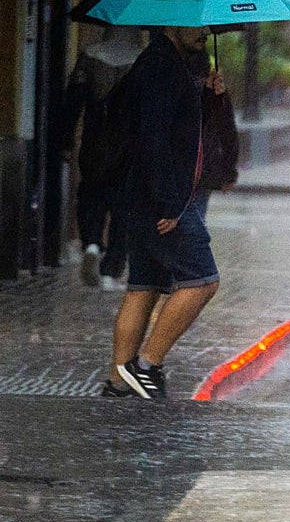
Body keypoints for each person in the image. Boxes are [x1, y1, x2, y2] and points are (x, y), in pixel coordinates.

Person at [103, 26, 220, 400]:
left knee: (144, 288)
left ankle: (119, 383)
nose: (205, 31)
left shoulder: (159, 65)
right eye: (196, 24)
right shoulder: (162, 69)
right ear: (173, 25)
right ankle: (147, 366)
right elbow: (154, 139)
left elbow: (174, 129)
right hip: (162, 201)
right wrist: (170, 202)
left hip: (141, 198)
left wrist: (208, 97)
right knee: (202, 280)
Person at [59, 26, 142, 290]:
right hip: (128, 144)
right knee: (123, 207)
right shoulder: (141, 59)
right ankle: (112, 267)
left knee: (91, 195)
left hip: (95, 140)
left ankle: (92, 243)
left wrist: (66, 140)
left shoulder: (90, 56)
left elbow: (72, 103)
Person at [184, 44, 239, 220]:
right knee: (196, 223)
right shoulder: (214, 92)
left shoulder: (214, 92)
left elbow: (227, 130)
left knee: (193, 227)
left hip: (196, 169)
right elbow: (228, 132)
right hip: (202, 169)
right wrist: (229, 171)